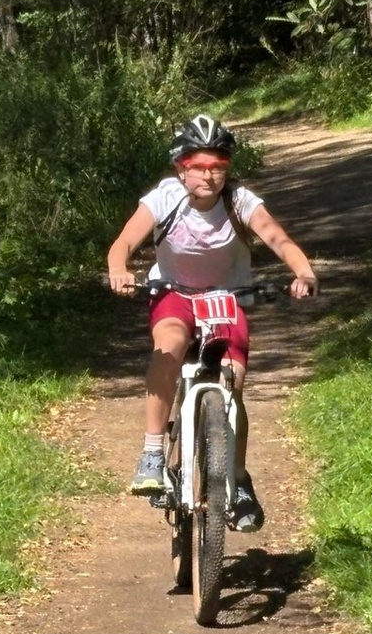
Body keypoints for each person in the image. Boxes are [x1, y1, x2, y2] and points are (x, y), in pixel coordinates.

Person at [107, 114, 318, 533]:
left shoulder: (240, 201)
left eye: (218, 166)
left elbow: (279, 240)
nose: (209, 175)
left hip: (226, 298)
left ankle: (237, 480)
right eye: (199, 166)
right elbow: (124, 242)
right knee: (168, 346)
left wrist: (304, 272)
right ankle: (152, 454)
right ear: (180, 168)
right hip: (174, 293)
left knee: (233, 379)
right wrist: (119, 269)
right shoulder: (165, 198)